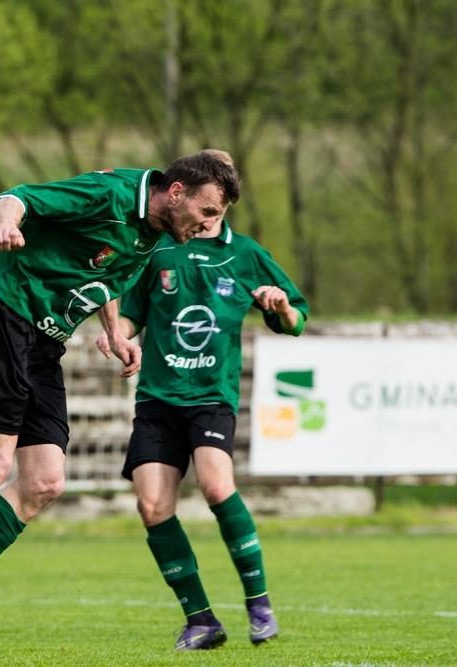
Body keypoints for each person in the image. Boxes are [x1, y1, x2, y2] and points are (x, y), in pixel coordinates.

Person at [0, 152, 241, 666]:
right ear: (176, 192)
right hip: (5, 317)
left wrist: (114, 331)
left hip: (45, 342)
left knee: (44, 480)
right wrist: (5, 225)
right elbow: (18, 198)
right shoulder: (111, 195)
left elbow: (104, 273)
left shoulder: (156, 230)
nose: (208, 224)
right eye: (208, 211)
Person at [95, 150, 308, 651]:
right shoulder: (158, 249)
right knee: (151, 506)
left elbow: (297, 318)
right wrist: (115, 334)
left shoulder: (246, 254)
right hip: (157, 398)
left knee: (215, 486)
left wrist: (279, 307)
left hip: (211, 396)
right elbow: (133, 313)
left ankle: (259, 603)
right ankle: (201, 620)